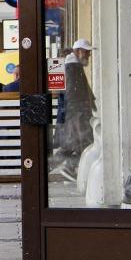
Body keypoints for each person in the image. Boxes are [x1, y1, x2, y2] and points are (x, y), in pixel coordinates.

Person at [54, 39, 96, 180]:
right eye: (87, 52)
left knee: (74, 144)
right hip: (77, 114)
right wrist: (79, 113)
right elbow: (73, 94)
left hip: (75, 113)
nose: (88, 55)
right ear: (78, 51)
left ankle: (61, 166)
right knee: (83, 142)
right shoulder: (72, 67)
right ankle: (69, 167)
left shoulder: (72, 65)